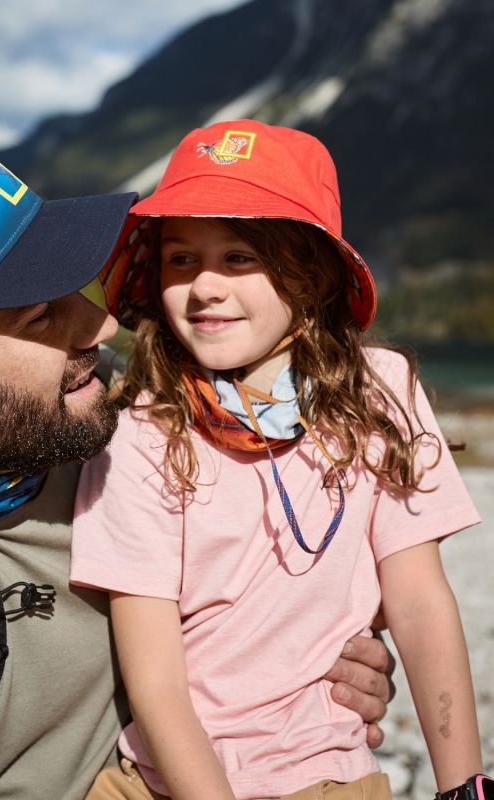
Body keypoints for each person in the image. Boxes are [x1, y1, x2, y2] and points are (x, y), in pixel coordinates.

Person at [0, 123, 396, 800]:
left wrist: (326, 660)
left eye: (75, 289)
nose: (102, 327)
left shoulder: (110, 415)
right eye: (42, 316)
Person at [71, 120, 482, 800]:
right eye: (180, 258)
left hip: (329, 777)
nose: (204, 287)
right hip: (167, 783)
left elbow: (419, 603)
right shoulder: (143, 427)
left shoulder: (380, 394)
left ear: (313, 273)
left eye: (239, 258)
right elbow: (156, 683)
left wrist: (464, 785)